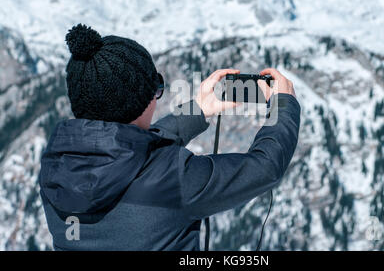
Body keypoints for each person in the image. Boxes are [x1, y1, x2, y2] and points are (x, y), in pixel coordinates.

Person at [39, 24, 301, 251]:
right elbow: (264, 168)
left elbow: (127, 149)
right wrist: (284, 106)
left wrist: (195, 111)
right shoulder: (175, 179)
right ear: (147, 100)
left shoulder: (55, 167)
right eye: (157, 87)